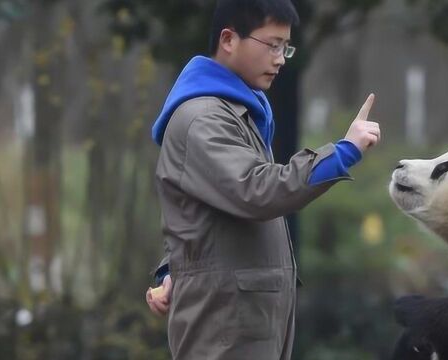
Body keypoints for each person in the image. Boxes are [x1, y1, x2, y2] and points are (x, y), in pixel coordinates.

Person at [145, 0, 380, 358]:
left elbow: (192, 215)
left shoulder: (239, 113)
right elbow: (257, 190)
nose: (281, 58)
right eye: (272, 44)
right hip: (225, 328)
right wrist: (343, 153)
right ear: (229, 40)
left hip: (242, 323)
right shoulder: (203, 120)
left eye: (286, 46)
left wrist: (170, 271)